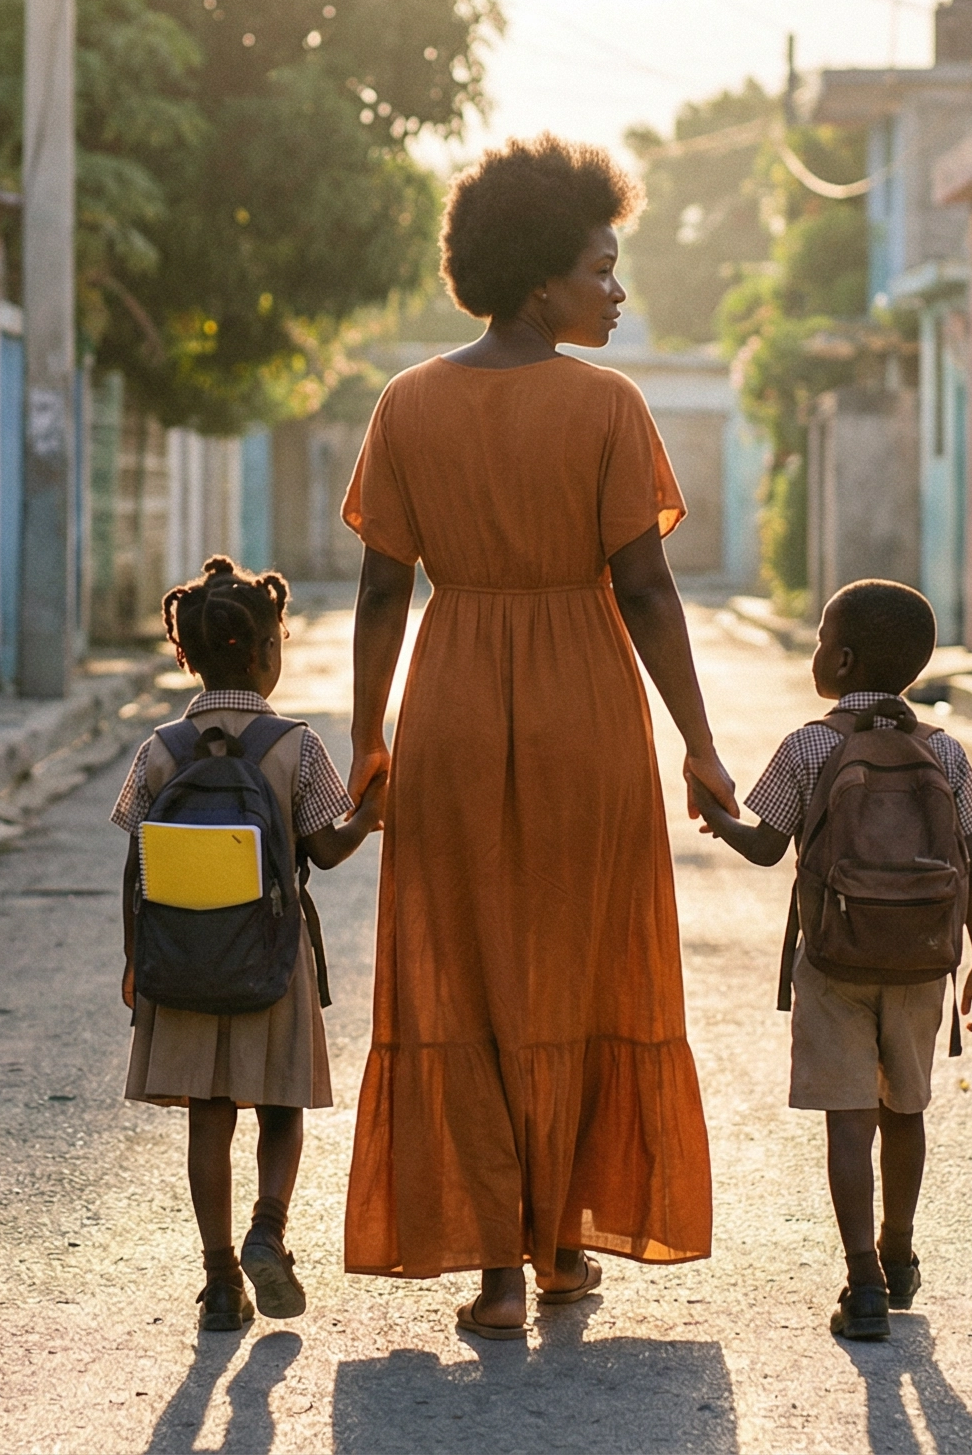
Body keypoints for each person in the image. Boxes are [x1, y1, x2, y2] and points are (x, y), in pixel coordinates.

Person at [341, 134, 729, 1339]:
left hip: (451, 702)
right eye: (602, 269)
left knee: (465, 969)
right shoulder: (607, 405)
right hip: (587, 716)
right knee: (579, 964)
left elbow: (377, 596)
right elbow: (649, 593)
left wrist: (366, 744)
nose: (617, 293)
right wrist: (702, 746)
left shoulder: (407, 402)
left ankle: (495, 1274)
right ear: (537, 282)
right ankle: (562, 1244)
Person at [688, 579, 972, 1342]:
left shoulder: (809, 745)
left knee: (849, 1123)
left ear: (845, 657)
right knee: (907, 1112)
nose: (818, 648)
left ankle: (861, 1281)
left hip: (834, 964)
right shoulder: (944, 750)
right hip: (926, 964)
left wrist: (716, 812)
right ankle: (900, 1252)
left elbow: (767, 847)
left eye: (825, 637)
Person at [111, 557, 386, 1333]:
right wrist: (369, 816)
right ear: (268, 653)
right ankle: (269, 1228)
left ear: (186, 655)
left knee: (209, 1111)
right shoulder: (291, 745)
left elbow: (135, 860)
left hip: (181, 960)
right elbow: (325, 852)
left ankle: (220, 1278)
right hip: (272, 956)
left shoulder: (160, 748)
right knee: (280, 1103)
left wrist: (138, 961)